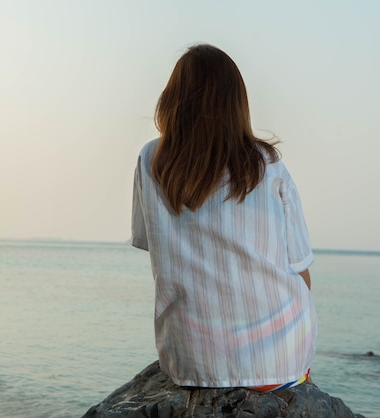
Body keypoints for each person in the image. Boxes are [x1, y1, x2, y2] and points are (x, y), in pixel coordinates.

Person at [131, 44, 316, 391]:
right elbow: (301, 268)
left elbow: (150, 244)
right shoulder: (268, 163)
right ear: (237, 104)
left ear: (172, 100)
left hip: (193, 362)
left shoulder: (152, 158)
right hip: (280, 361)